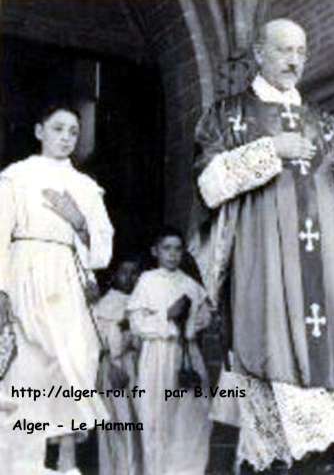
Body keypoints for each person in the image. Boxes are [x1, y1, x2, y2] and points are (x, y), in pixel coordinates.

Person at [191, 18, 334, 473]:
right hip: (265, 263)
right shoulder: (227, 115)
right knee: (269, 383)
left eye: (301, 52)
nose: (294, 60)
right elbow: (209, 185)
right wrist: (273, 150)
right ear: (258, 53)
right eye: (284, 50)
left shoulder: (323, 121)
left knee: (325, 415)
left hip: (321, 268)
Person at [0, 103, 114, 474]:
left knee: (73, 361)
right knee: (27, 367)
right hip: (24, 272)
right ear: (39, 131)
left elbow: (102, 250)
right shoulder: (16, 177)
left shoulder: (85, 186)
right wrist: (1, 290)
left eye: (72, 133)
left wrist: (79, 221)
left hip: (65, 277)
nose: (65, 138)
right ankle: (20, 463)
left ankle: (66, 461)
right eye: (58, 129)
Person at [127, 227, 212, 475]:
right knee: (156, 415)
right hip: (157, 356)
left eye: (177, 249)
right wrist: (167, 318)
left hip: (186, 356)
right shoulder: (148, 280)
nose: (173, 254)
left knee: (190, 416)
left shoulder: (190, 284)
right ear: (155, 251)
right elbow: (137, 323)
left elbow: (204, 317)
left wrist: (189, 326)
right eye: (167, 248)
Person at [93, 256, 142, 475]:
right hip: (116, 367)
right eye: (124, 272)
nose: (129, 277)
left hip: (139, 365)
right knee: (119, 423)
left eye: (134, 272)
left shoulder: (141, 301)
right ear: (114, 276)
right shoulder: (105, 304)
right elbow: (99, 342)